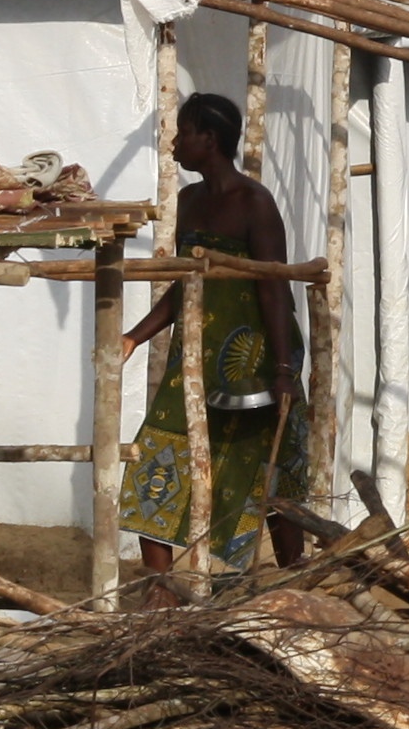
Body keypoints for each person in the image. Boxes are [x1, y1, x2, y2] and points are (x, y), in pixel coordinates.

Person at [118, 92, 302, 583]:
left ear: (210, 140)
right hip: (195, 356)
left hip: (255, 358)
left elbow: (273, 287)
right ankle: (159, 587)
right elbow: (185, 286)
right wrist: (133, 338)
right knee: (155, 456)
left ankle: (298, 579)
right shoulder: (189, 202)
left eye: (184, 133)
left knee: (269, 469)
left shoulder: (254, 204)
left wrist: (284, 372)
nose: (175, 144)